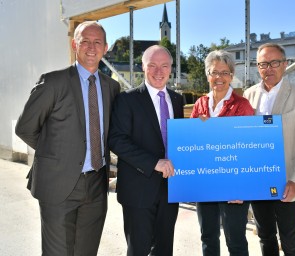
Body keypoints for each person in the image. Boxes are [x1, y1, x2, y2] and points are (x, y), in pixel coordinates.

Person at [15, 21, 120, 255]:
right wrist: (59, 156)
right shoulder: (53, 82)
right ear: (74, 45)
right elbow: (25, 128)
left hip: (96, 185)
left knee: (87, 250)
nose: (91, 47)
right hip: (58, 184)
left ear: (105, 47)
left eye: (97, 42)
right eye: (85, 41)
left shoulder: (111, 87)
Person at [108, 45, 184, 256]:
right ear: (143, 67)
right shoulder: (127, 100)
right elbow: (116, 140)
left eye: (164, 66)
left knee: (164, 249)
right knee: (139, 250)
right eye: (152, 65)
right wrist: (153, 162)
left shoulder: (178, 100)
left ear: (171, 69)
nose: (158, 71)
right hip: (138, 189)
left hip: (170, 189)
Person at [243, 43, 295, 256]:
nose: (269, 68)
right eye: (263, 64)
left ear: (284, 64)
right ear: (258, 67)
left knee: (291, 243)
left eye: (274, 62)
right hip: (259, 181)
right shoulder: (248, 95)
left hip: (287, 182)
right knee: (265, 237)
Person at [190, 50, 254, 256]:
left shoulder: (241, 105)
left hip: (232, 185)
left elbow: (248, 148)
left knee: (235, 240)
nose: (219, 78)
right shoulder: (200, 104)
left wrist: (242, 188)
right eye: (214, 72)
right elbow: (192, 141)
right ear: (208, 75)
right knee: (208, 237)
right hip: (206, 181)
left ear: (231, 75)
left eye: (225, 72)